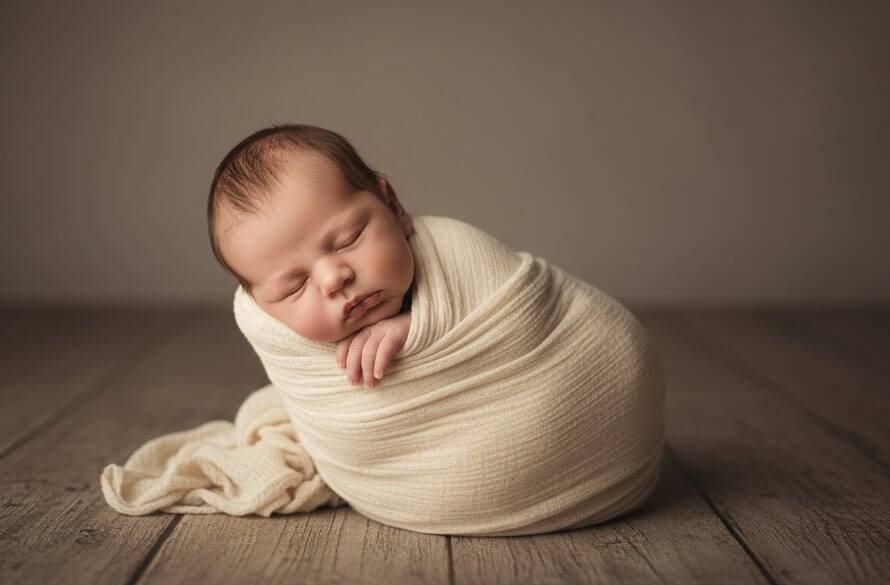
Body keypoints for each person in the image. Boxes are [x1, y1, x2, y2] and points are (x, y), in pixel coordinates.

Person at [208, 124, 415, 390]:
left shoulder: (457, 259)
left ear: (392, 205)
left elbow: (484, 319)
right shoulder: (271, 332)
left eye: (348, 240)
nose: (333, 280)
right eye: (295, 287)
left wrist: (415, 329)